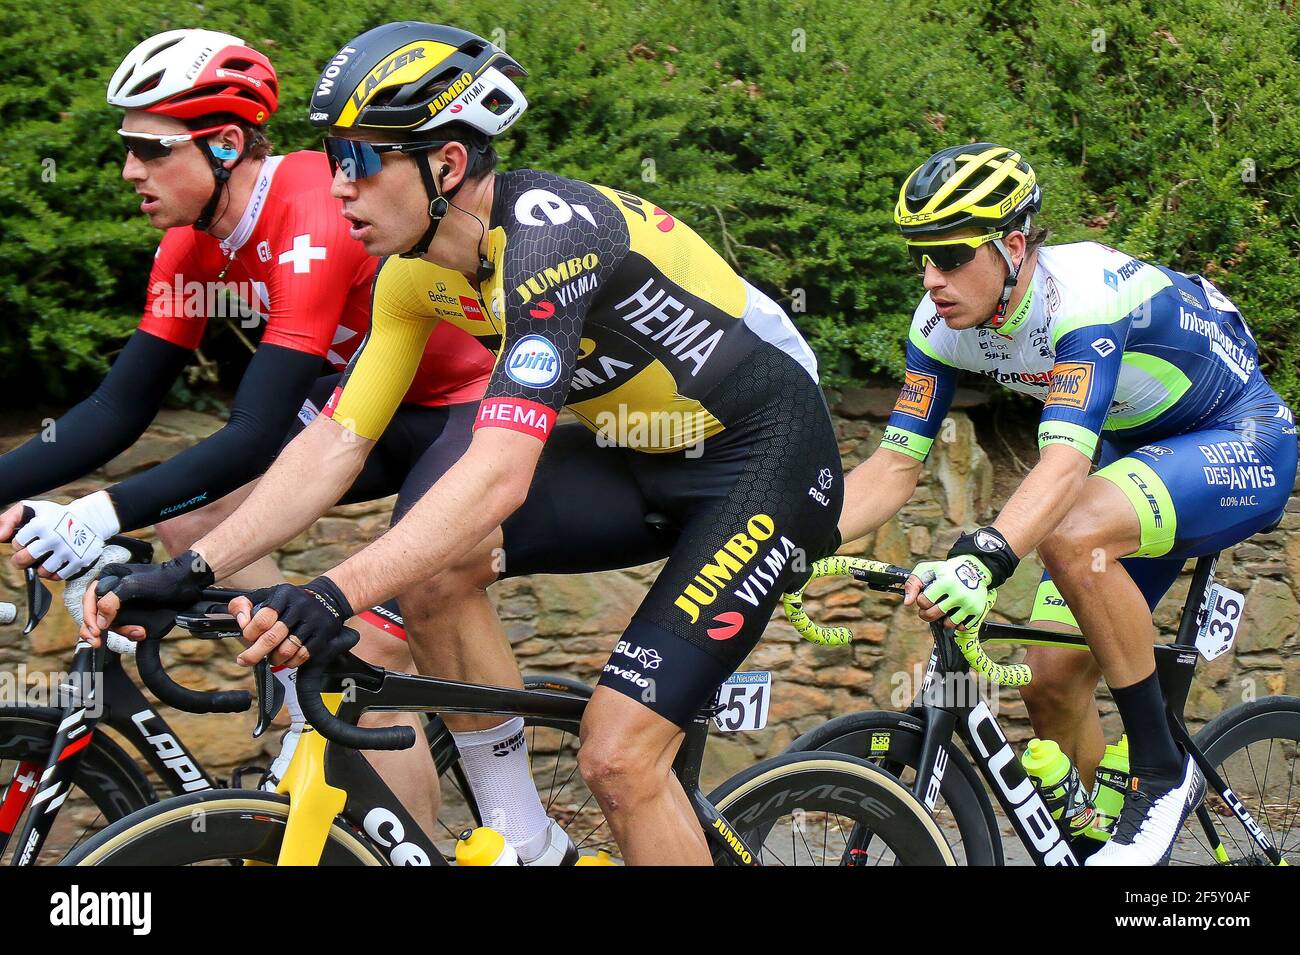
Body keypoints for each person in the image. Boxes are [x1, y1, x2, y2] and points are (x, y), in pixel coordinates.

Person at [84, 21, 843, 866]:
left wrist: (331, 591)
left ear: (445, 165)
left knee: (619, 758)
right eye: (332, 158)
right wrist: (196, 566)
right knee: (435, 568)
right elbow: (337, 439)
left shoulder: (551, 236)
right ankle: (527, 838)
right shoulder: (414, 275)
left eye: (360, 161)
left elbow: (498, 473)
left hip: (765, 461)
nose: (337, 188)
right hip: (639, 452)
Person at [0, 28, 515, 845]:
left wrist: (95, 514)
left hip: (465, 408)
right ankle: (287, 711)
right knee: (193, 521)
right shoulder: (192, 246)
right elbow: (115, 410)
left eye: (148, 148)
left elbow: (253, 436)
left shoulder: (315, 205)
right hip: (369, 413)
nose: (129, 170)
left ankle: (390, 834)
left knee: (369, 656)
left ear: (227, 142)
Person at [836, 143, 1298, 865]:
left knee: (1072, 532)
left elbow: (1063, 463)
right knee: (1050, 685)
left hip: (1238, 437)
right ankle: (1097, 850)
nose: (932, 280)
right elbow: (894, 463)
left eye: (951, 256)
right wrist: (788, 541)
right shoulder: (940, 327)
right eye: (919, 258)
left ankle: (1159, 770)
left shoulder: (1080, 298)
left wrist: (986, 556)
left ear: (1013, 245)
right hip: (1136, 454)